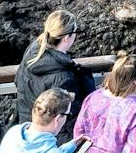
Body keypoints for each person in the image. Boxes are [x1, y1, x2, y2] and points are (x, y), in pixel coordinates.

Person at [16, 9, 93, 141]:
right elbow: (68, 118)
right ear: (66, 37)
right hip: (54, 138)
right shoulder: (64, 76)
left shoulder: (33, 52)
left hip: (29, 129)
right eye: (75, 31)